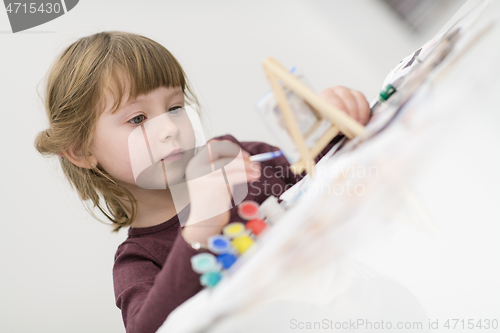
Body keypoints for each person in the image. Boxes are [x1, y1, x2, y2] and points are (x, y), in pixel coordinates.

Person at [34, 31, 371, 333]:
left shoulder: (237, 157)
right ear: (80, 151)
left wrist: (336, 125)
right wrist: (199, 228)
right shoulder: (139, 260)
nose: (169, 128)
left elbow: (329, 180)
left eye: (175, 107)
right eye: (138, 118)